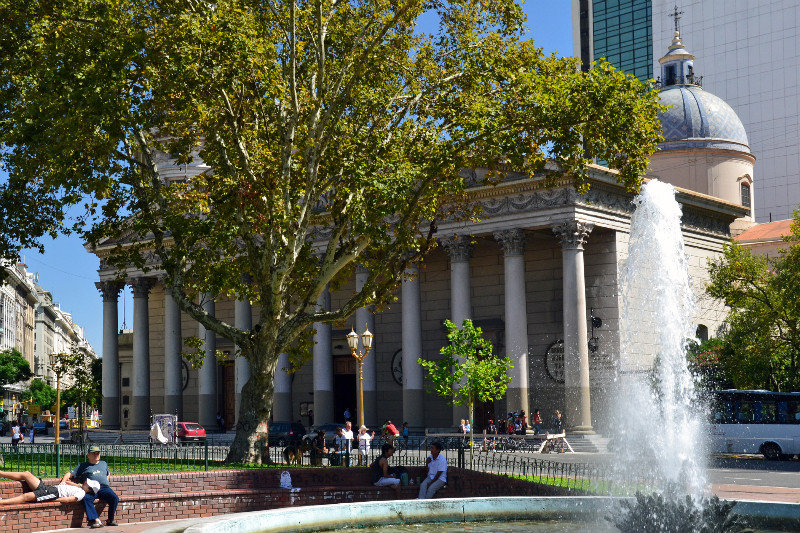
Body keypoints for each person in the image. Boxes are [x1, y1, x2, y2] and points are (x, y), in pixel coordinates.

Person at [62, 444, 119, 528]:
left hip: (104, 487)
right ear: (88, 455)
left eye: (98, 453)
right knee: (86, 498)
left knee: (114, 498)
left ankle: (110, 519)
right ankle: (94, 520)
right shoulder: (83, 466)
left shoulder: (103, 463)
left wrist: (106, 479)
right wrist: (63, 481)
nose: (96, 455)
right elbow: (69, 474)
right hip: (91, 488)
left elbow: (108, 472)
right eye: (94, 453)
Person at [0, 470, 99, 505]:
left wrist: (52, 499)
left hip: (53, 493)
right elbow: (68, 480)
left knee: (26, 496)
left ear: (89, 489)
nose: (85, 482)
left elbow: (69, 500)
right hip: (49, 488)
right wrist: (76, 484)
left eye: (88, 483)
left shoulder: (81, 493)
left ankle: (1, 502)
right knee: (27, 474)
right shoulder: (80, 488)